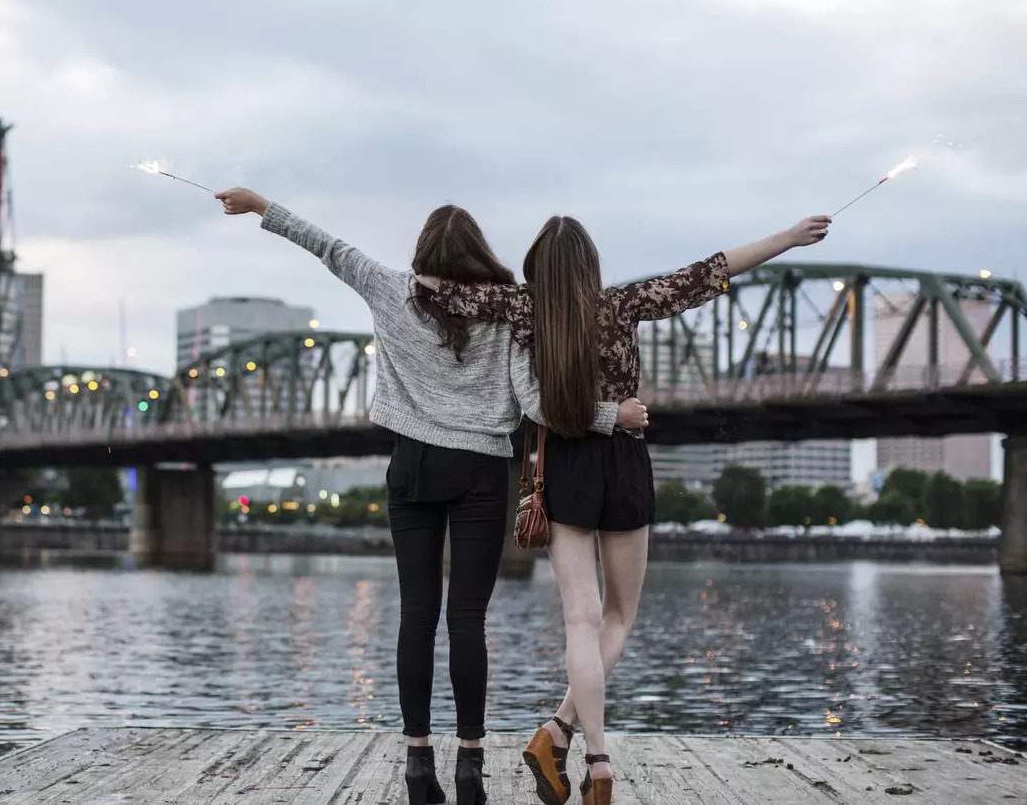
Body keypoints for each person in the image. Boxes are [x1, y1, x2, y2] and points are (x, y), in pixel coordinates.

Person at [213, 186, 648, 805]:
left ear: (421, 251)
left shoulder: (390, 288)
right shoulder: (504, 311)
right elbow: (534, 406)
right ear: (479, 256)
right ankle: (471, 762)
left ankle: (419, 763)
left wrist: (261, 206)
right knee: (468, 619)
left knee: (416, 615)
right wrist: (609, 417)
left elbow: (324, 244)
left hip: (412, 466)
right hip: (481, 472)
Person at [417, 212, 831, 805]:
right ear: (589, 265)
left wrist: (417, 277)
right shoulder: (622, 303)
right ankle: (576, 745)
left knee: (579, 621)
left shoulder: (521, 310)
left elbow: (438, 289)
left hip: (566, 467)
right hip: (625, 463)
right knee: (618, 618)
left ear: (538, 268)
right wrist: (787, 239)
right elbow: (707, 272)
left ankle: (585, 750)